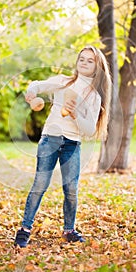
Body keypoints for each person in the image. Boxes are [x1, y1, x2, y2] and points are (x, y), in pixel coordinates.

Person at [14, 46, 112, 247]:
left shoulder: (94, 97)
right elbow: (37, 85)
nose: (84, 62)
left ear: (97, 68)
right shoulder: (62, 82)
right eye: (81, 59)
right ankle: (25, 229)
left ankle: (69, 230)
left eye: (89, 61)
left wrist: (76, 113)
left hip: (72, 144)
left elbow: (88, 130)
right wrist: (31, 93)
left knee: (71, 189)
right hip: (50, 139)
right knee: (40, 184)